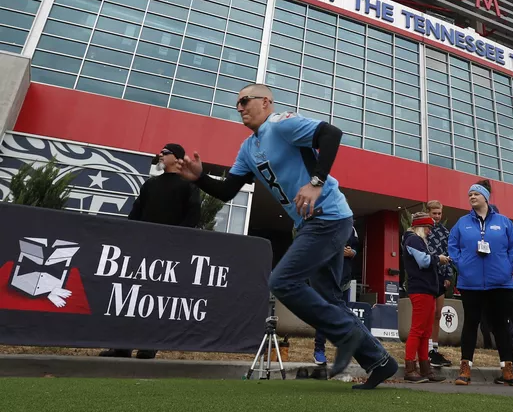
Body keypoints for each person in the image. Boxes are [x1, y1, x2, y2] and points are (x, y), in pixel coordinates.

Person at [179, 84, 397, 390]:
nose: (239, 107)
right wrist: (200, 177)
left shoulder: (282, 125)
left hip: (329, 217)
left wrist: (316, 182)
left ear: (265, 101)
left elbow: (331, 134)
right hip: (308, 224)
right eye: (237, 104)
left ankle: (351, 338)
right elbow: (228, 190)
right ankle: (381, 362)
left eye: (244, 100)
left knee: (282, 282)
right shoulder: (248, 148)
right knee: (329, 299)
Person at [100, 143, 200, 360]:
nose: (160, 155)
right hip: (139, 249)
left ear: (178, 158)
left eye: (165, 153)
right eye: (161, 153)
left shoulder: (188, 187)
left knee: (156, 299)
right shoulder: (150, 185)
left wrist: (173, 242)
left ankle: (148, 346)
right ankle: (122, 347)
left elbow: (192, 219)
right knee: (129, 296)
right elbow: (134, 215)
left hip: (167, 255)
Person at [447, 181, 513, 387]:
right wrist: (461, 266)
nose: (472, 197)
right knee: (471, 324)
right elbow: (452, 246)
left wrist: (506, 270)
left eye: (475, 194)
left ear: (485, 197)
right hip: (470, 283)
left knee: (500, 325)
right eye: (469, 194)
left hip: (500, 283)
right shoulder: (462, 223)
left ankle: (508, 369)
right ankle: (465, 370)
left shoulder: (504, 222)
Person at [401, 211, 450, 383]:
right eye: (428, 227)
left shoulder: (416, 240)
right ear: (420, 227)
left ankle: (424, 369)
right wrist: (439, 258)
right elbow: (424, 261)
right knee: (418, 330)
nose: (430, 231)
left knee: (425, 331)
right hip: (421, 289)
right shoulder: (414, 239)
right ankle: (411, 368)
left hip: (426, 289)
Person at [313, 227, 359, 366]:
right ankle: (319, 350)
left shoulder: (351, 228)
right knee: (324, 316)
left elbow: (356, 248)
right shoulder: (323, 223)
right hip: (327, 279)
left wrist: (352, 253)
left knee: (343, 318)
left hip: (344, 281)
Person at [426, 200, 454, 367]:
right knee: (427, 314)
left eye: (439, 213)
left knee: (438, 313)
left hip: (441, 277)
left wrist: (448, 276)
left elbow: (449, 254)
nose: (436, 216)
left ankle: (434, 350)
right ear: (428, 212)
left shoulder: (445, 232)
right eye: (434, 213)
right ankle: (425, 350)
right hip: (426, 276)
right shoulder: (422, 230)